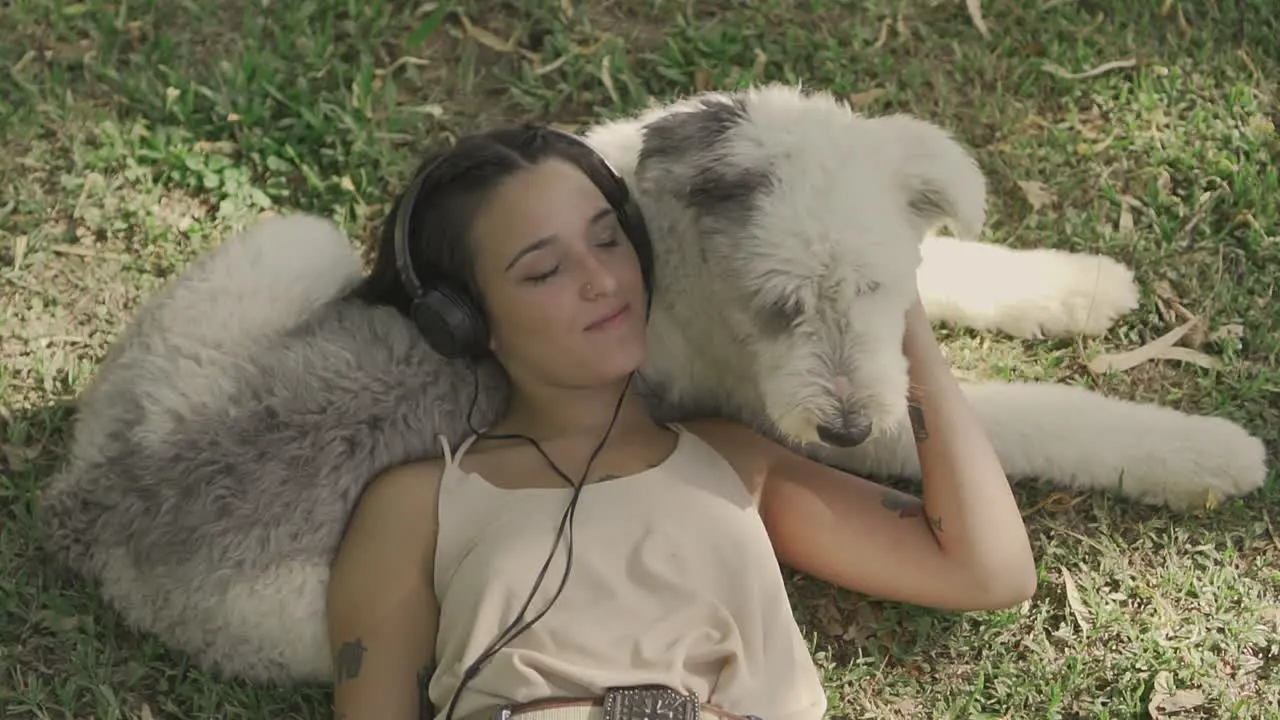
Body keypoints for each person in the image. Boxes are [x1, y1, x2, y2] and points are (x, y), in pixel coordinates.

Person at [327, 124, 1037, 720]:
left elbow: (990, 571)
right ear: (461, 318)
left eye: (608, 241)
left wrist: (885, 299)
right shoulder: (418, 503)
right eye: (544, 271)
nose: (601, 279)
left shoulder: (733, 460)